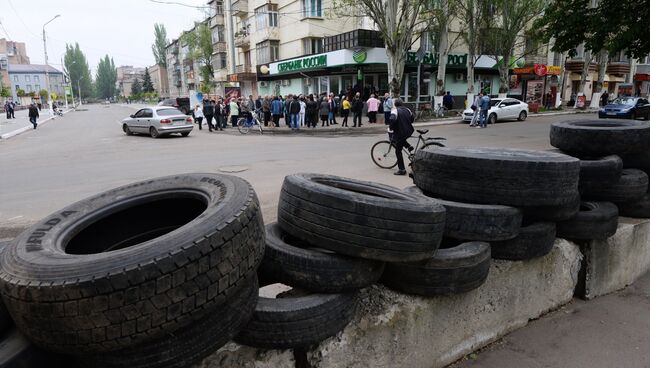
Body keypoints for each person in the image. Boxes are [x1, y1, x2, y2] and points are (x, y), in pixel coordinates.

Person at [388, 98, 415, 176]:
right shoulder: (407, 109)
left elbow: (392, 120)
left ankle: (402, 169)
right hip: (409, 130)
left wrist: (390, 127)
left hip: (401, 132)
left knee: (398, 150)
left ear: (395, 104)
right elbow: (412, 118)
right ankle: (409, 146)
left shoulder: (395, 110)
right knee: (401, 139)